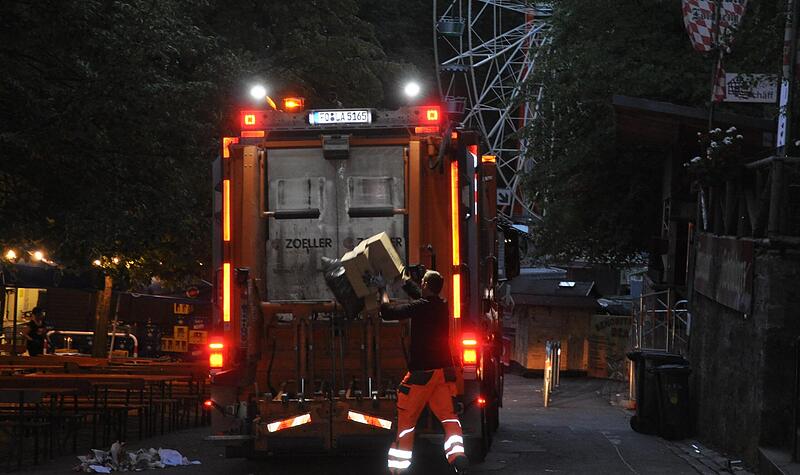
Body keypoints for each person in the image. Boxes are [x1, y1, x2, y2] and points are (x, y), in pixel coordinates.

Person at [380, 270, 468, 474]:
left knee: (407, 422)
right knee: (449, 417)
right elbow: (423, 298)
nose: (420, 284)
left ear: (426, 285)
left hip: (421, 375)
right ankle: (458, 457)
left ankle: (398, 468)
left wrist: (381, 289)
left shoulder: (420, 307)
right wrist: (405, 282)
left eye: (422, 282)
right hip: (443, 374)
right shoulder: (442, 305)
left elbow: (387, 313)